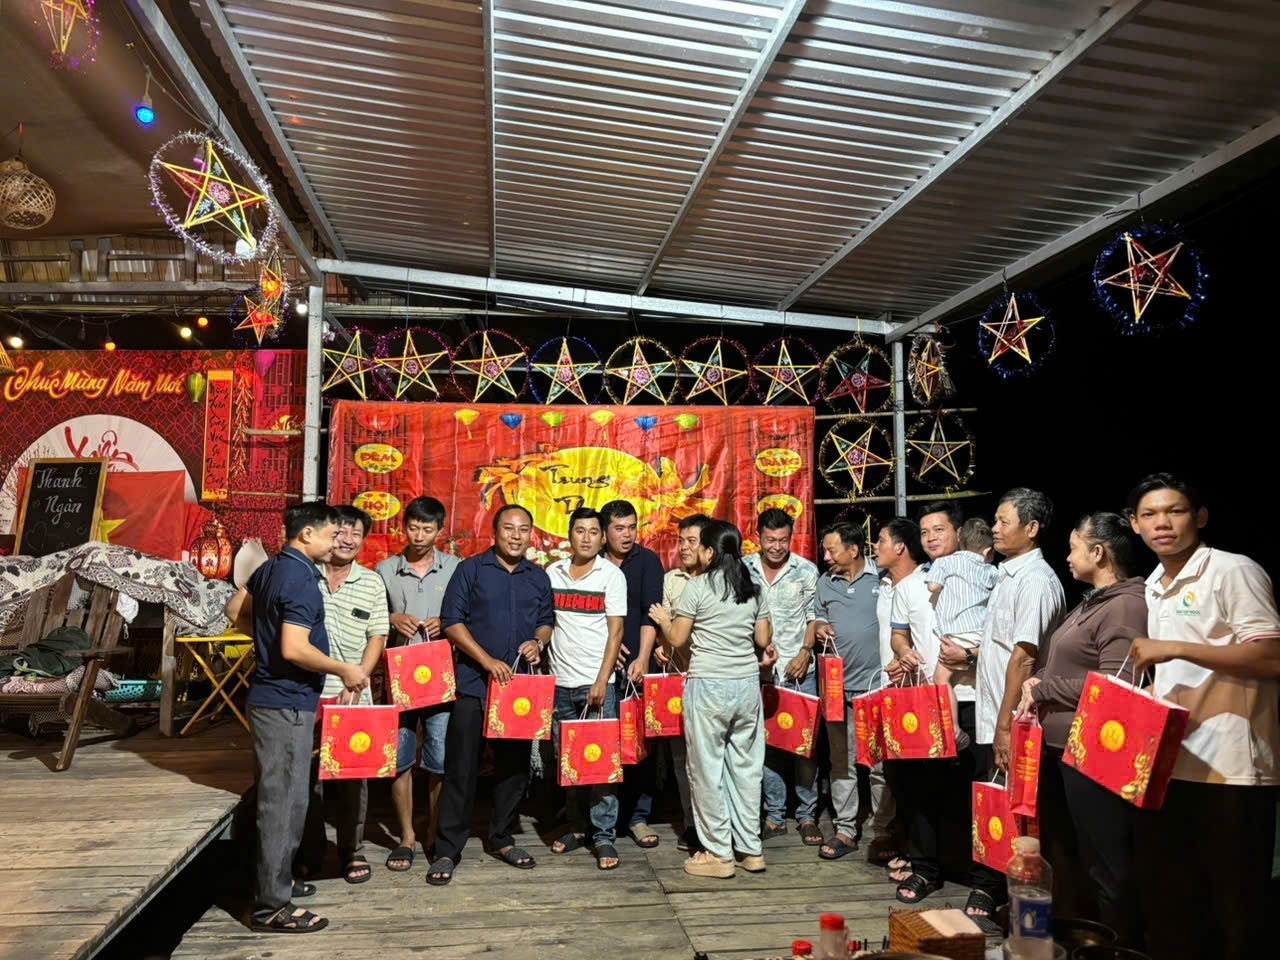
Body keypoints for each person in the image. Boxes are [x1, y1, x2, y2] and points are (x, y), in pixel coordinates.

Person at [1126, 474, 1280, 960]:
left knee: (1236, 909)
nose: (1162, 523)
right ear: (1134, 525)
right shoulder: (1153, 585)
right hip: (1173, 765)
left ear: (1201, 517)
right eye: (1149, 515)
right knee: (1178, 903)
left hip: (1233, 767)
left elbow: (1270, 657)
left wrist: (1174, 648)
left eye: (1174, 511)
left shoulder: (1233, 570)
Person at [225, 502, 367, 934]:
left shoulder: (270, 568)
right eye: (331, 534)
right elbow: (294, 648)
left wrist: (266, 641)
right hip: (285, 704)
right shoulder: (302, 579)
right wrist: (344, 669)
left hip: (270, 699)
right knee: (283, 804)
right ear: (307, 535)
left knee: (284, 799)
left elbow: (235, 611)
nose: (337, 542)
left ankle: (277, 882)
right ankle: (270, 907)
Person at [1014, 512, 1147, 945]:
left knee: (1105, 864)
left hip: (1093, 754)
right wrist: (1040, 681)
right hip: (1062, 751)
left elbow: (1117, 683)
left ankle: (1119, 946)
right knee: (1070, 856)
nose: (1067, 557)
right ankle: (1077, 941)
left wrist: (1045, 687)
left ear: (1099, 552)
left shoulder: (1126, 605)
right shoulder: (1092, 601)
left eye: (1073, 548)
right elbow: (1067, 664)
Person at [428, 504, 554, 886]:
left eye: (523, 529)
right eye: (509, 528)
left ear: (531, 535)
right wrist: (485, 661)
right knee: (461, 767)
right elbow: (451, 622)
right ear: (494, 532)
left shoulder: (538, 576)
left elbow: (546, 621)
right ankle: (448, 848)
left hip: (518, 690)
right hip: (473, 684)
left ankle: (501, 838)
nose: (516, 536)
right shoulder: (471, 570)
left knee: (514, 768)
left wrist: (537, 642)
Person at [649, 520, 776, 878]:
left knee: (706, 770)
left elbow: (677, 639)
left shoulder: (698, 586)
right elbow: (763, 639)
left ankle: (719, 854)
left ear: (709, 551)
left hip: (708, 685)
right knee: (747, 768)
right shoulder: (753, 587)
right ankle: (750, 849)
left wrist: (664, 620)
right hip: (746, 685)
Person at [966, 489, 1064, 925]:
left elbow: (1024, 658)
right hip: (995, 716)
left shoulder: (1036, 581)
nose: (995, 528)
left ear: (1032, 528)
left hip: (1018, 721)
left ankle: (1024, 903)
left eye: (1004, 521)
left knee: (1022, 813)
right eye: (995, 520)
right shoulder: (1006, 575)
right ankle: (998, 891)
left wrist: (1006, 726)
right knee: (997, 806)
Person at [300, 505, 390, 886]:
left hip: (353, 693)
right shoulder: (305, 574)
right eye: (340, 532)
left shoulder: (371, 583)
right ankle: (310, 851)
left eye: (356, 534)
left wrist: (359, 680)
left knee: (354, 777)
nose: (348, 540)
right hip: (308, 692)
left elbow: (378, 636)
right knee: (307, 778)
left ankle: (352, 849)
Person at [375, 496, 460, 872]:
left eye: (427, 529)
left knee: (439, 759)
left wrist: (448, 620)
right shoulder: (385, 570)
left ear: (440, 531)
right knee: (400, 757)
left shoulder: (455, 568)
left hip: (441, 678)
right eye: (413, 527)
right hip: (399, 679)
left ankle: (434, 832)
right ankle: (407, 836)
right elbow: (371, 615)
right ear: (403, 527)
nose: (420, 535)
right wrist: (392, 617)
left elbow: (468, 612)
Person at [545, 507, 626, 870]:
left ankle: (604, 836)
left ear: (602, 537)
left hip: (596, 685)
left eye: (594, 532)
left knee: (601, 763)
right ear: (569, 535)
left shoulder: (611, 575)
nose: (587, 538)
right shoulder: (553, 573)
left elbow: (616, 632)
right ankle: (578, 828)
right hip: (560, 683)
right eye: (580, 531)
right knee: (570, 762)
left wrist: (601, 680)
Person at [813, 521, 895, 863]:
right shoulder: (824, 582)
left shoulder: (883, 579)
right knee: (841, 761)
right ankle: (846, 829)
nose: (826, 557)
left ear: (854, 550)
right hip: (837, 690)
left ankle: (883, 832)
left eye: (832, 551)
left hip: (876, 689)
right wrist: (820, 626)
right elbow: (817, 616)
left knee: (879, 766)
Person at [744, 508, 820, 847]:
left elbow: (814, 617)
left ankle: (807, 815)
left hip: (799, 671)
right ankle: (774, 816)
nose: (777, 547)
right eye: (770, 540)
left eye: (783, 540)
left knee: (804, 747)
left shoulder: (806, 570)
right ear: (757, 537)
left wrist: (805, 652)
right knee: (767, 745)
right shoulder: (743, 569)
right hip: (758, 672)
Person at [599, 499, 665, 850]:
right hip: (598, 665)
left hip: (637, 666)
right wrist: (606, 649)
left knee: (638, 742)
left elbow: (651, 613)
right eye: (619, 528)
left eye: (632, 527)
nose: (627, 535)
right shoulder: (591, 561)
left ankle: (638, 816)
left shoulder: (648, 561)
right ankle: (597, 819)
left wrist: (642, 657)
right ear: (604, 531)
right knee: (601, 740)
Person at [658, 513, 711, 852]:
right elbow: (664, 624)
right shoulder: (672, 580)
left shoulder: (720, 580)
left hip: (711, 680)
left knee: (711, 759)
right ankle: (691, 824)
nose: (685, 547)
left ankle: (715, 826)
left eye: (692, 541)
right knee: (682, 760)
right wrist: (662, 646)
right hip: (678, 680)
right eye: (681, 541)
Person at [925, 518, 997, 752]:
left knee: (940, 679)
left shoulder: (945, 562)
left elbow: (933, 587)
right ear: (987, 550)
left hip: (957, 634)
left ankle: (953, 728)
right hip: (980, 634)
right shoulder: (992, 570)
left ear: (959, 539)